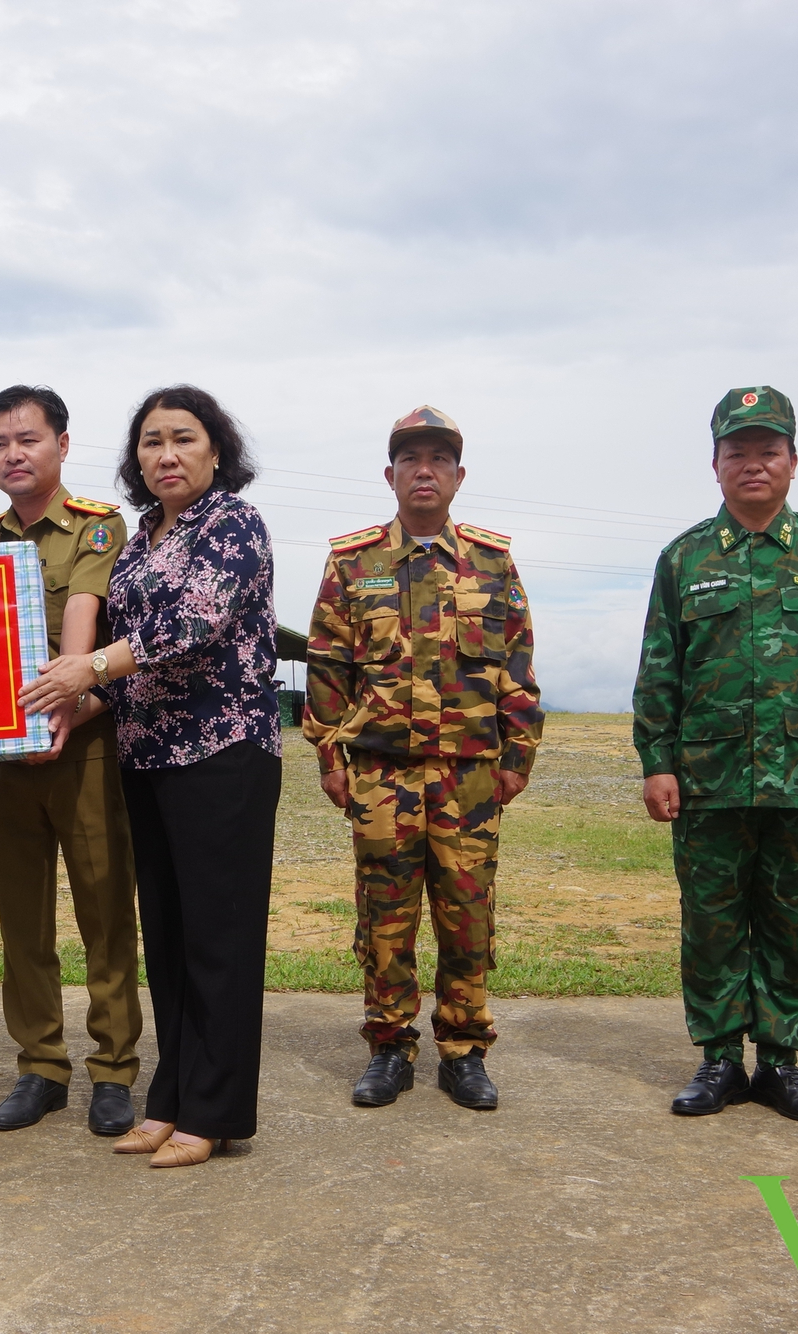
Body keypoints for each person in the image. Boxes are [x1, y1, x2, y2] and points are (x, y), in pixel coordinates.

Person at [20, 384, 281, 1168]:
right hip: (151, 755)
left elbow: (188, 626)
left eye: (184, 438)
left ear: (216, 450)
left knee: (219, 941)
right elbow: (129, 657)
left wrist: (84, 667)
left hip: (223, 754)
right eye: (150, 442)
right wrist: (77, 703)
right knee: (168, 938)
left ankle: (217, 1112)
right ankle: (171, 1100)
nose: (166, 454)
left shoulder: (232, 525)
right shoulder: (142, 538)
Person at [633, 386, 798, 1126]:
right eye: (736, 451)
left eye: (767, 451)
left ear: (793, 462)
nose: (752, 464)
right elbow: (659, 669)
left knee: (789, 919)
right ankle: (717, 1060)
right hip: (707, 779)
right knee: (710, 919)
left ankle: (780, 1062)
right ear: (715, 464)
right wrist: (657, 761)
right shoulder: (684, 558)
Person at [303, 406, 542, 1112]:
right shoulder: (353, 562)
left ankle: (464, 1050)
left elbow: (519, 666)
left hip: (470, 777)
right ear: (391, 475)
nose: (425, 470)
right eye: (411, 459)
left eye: (439, 458)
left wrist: (516, 759)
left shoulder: (493, 562)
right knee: (386, 917)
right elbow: (327, 664)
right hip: (382, 775)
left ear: (459, 476)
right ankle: (388, 1046)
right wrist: (328, 757)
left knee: (467, 916)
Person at [0, 384, 142, 1137]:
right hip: (6, 760)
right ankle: (39, 1066)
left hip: (88, 748)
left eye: (27, 439)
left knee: (105, 913)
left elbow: (92, 628)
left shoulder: (99, 529)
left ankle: (113, 1071)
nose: (14, 454)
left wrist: (69, 706)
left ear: (61, 445)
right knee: (21, 919)